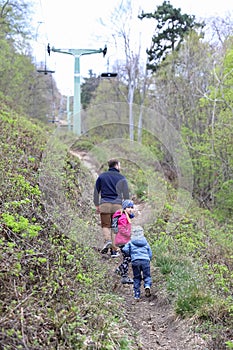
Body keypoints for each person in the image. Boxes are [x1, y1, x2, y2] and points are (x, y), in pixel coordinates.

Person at [93, 158, 130, 257]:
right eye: (120, 165)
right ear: (116, 166)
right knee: (115, 227)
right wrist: (127, 207)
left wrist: (97, 204)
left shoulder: (102, 176)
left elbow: (96, 191)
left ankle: (107, 241)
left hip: (104, 204)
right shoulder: (122, 178)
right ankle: (114, 251)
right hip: (117, 205)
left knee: (105, 225)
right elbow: (126, 194)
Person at [122, 225, 152, 301]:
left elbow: (125, 250)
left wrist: (130, 254)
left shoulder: (130, 242)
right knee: (147, 276)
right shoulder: (145, 242)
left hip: (135, 261)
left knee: (137, 277)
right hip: (145, 261)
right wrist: (149, 259)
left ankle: (137, 295)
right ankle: (147, 285)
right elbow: (150, 253)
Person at [113, 199, 135, 284]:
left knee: (127, 257)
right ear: (124, 208)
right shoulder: (123, 217)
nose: (130, 209)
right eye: (128, 207)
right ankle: (124, 276)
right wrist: (129, 234)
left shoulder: (127, 216)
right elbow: (121, 228)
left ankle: (120, 270)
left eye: (131, 207)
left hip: (123, 240)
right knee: (128, 257)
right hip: (122, 240)